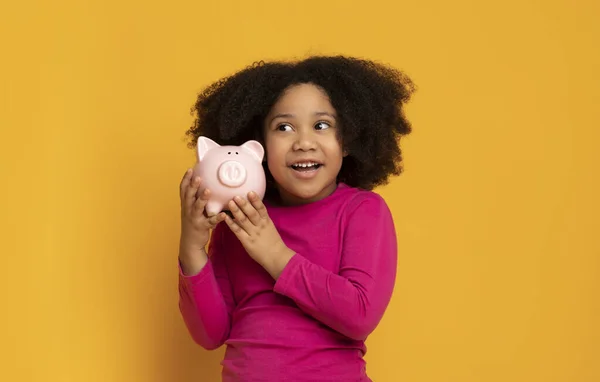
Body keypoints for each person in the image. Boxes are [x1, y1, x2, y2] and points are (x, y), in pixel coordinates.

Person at [177, 55, 415, 381]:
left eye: (322, 125)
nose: (304, 142)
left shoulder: (363, 210)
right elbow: (211, 334)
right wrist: (192, 246)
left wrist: (275, 255)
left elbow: (360, 314)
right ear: (257, 146)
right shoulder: (240, 220)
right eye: (284, 127)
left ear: (347, 140)